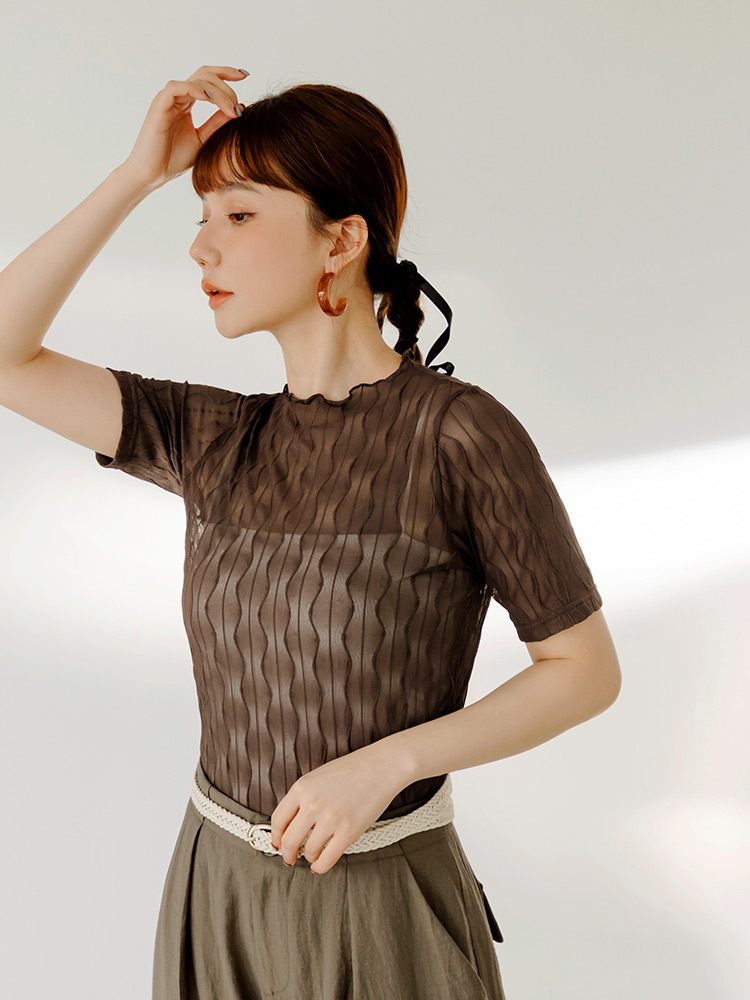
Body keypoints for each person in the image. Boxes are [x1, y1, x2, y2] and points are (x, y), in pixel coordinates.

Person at [0, 65, 621, 1000]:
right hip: (216, 891)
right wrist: (136, 176)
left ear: (343, 240)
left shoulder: (457, 435)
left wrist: (393, 762)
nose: (203, 246)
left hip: (381, 905)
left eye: (239, 215)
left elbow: (585, 669)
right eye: (201, 216)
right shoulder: (216, 438)